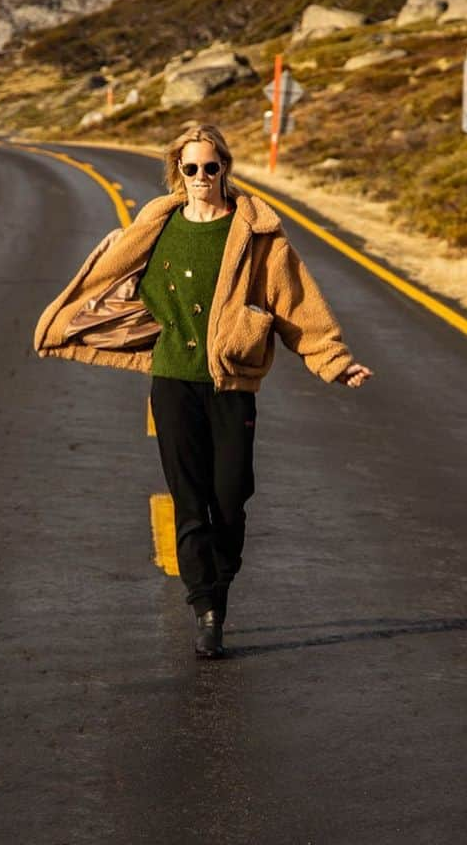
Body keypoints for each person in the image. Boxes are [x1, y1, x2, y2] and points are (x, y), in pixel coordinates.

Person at [33, 123, 372, 659]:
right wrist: (65, 324)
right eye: (189, 168)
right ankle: (206, 609)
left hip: (230, 382)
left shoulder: (257, 231)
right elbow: (106, 276)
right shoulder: (158, 223)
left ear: (225, 169)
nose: (200, 178)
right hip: (172, 380)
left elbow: (297, 303)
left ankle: (222, 575)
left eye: (210, 167)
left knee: (231, 497)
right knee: (190, 500)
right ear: (177, 172)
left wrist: (334, 361)